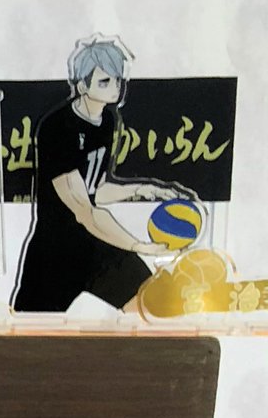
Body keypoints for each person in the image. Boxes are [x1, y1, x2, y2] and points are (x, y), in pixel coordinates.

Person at [10, 36, 195, 313]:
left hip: (94, 246)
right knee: (29, 334)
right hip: (56, 252)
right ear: (82, 86)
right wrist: (138, 245)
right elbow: (85, 211)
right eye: (105, 81)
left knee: (154, 306)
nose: (115, 87)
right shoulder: (58, 128)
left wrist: (144, 189)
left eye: (117, 80)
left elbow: (96, 189)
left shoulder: (107, 120)